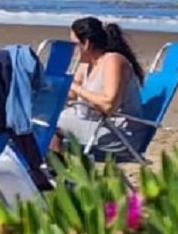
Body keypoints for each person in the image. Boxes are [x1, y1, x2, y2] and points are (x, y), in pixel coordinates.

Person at [50, 16, 146, 157]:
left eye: (75, 44)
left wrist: (76, 88)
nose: (73, 50)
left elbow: (108, 105)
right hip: (95, 125)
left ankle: (60, 172)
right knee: (43, 117)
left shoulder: (113, 61)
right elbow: (71, 94)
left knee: (52, 123)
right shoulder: (86, 63)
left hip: (119, 134)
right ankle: (59, 170)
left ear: (87, 43)